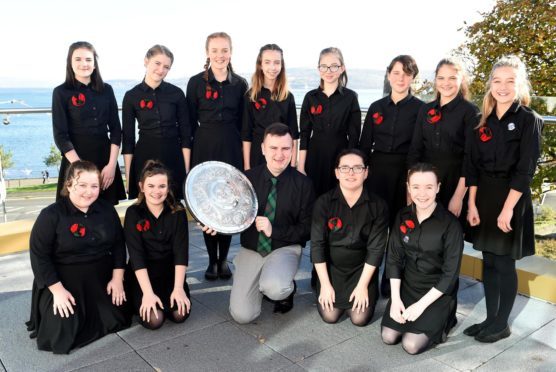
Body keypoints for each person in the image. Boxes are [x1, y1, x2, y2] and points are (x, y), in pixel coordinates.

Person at [464, 55, 543, 343]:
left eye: (510, 81)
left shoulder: (528, 120)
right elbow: (470, 166)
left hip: (511, 198)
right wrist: (471, 204)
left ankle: (502, 323)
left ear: (519, 84)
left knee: (504, 262)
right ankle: (490, 319)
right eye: (497, 80)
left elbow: (525, 171)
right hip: (483, 197)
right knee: (488, 261)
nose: (503, 87)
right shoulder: (480, 120)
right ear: (490, 85)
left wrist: (508, 210)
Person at [26, 160, 130, 354]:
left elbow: (118, 244)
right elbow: (40, 256)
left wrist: (117, 279)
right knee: (61, 331)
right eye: (82, 185)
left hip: (102, 277)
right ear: (69, 185)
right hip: (63, 280)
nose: (88, 192)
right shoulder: (50, 215)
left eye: (94, 186)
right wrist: (57, 291)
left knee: (119, 316)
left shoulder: (107, 210)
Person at [226, 123, 315, 324]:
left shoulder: (304, 184)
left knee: (275, 288)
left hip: (285, 248)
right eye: (273, 148)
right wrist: (214, 225)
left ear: (293, 150)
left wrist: (273, 230)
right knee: (242, 315)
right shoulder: (247, 180)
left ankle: (284, 288)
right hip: (252, 248)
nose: (279, 154)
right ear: (263, 149)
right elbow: (232, 215)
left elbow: (307, 229)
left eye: (285, 148)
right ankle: (251, 276)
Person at [358, 55, 424, 298]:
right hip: (377, 171)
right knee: (374, 228)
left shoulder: (420, 109)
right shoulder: (376, 107)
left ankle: (391, 279)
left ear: (413, 78)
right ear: (388, 75)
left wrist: (412, 183)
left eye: (406, 73)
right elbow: (365, 145)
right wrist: (360, 175)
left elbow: (418, 148)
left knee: (399, 231)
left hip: (404, 173)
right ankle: (370, 277)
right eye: (396, 73)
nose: (401, 78)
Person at [381, 163, 463, 354]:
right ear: (408, 188)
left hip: (437, 292)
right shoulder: (401, 216)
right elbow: (393, 257)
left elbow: (450, 274)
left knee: (411, 345)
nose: (422, 193)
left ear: (438, 187)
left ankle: (447, 318)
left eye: (428, 187)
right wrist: (395, 299)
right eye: (416, 187)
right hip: (408, 286)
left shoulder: (450, 225)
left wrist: (420, 306)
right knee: (389, 336)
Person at [186, 32, 248, 281]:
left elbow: (245, 125)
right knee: (208, 205)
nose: (220, 55)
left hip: (231, 146)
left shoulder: (241, 84)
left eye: (224, 50)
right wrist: (189, 161)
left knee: (228, 202)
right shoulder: (195, 83)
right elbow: (189, 124)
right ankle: (212, 261)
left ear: (231, 52)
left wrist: (245, 162)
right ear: (207, 52)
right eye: (215, 50)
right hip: (204, 146)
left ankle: (224, 260)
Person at [311, 149, 388, 326]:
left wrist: (362, 287)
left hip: (362, 270)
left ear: (366, 172)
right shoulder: (323, 203)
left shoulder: (378, 206)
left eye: (357, 168)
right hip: (332, 269)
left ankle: (364, 288)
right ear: (337, 173)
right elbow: (317, 245)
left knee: (359, 319)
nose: (351, 173)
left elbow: (376, 249)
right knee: (330, 316)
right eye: (345, 168)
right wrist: (325, 284)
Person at [52, 41, 126, 205]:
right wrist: (80, 168)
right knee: (76, 211)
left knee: (105, 211)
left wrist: (112, 165)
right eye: (77, 59)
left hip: (105, 160)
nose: (83, 64)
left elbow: (115, 129)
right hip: (75, 161)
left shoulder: (107, 90)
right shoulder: (61, 92)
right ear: (70, 63)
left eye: (88, 59)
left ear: (94, 64)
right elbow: (60, 136)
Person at [407, 58, 480, 220]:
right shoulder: (425, 110)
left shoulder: (470, 112)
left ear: (461, 80)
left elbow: (470, 158)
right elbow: (415, 150)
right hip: (425, 183)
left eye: (452, 78)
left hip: (455, 183)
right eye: (441, 78)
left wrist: (458, 197)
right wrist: (411, 189)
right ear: (436, 80)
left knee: (450, 235)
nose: (446, 83)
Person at [124, 160, 191, 330]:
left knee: (179, 314)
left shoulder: (178, 211)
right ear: (141, 187)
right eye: (151, 185)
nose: (156, 191)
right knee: (155, 320)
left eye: (162, 186)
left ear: (168, 188)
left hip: (170, 272)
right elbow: (136, 256)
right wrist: (147, 293)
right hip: (143, 274)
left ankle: (173, 293)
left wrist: (178, 288)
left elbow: (181, 251)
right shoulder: (133, 213)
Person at [122, 45, 190, 200]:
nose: (161, 70)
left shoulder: (177, 94)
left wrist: (185, 170)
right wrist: (129, 177)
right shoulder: (131, 96)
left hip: (174, 155)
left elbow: (186, 135)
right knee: (146, 207)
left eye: (166, 67)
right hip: (144, 156)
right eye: (157, 63)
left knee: (174, 206)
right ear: (146, 61)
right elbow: (128, 140)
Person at [298, 47, 361, 197]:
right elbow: (304, 135)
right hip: (315, 156)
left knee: (337, 198)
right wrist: (301, 166)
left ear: (342, 68)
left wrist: (349, 166)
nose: (329, 70)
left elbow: (354, 136)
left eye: (334, 66)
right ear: (319, 69)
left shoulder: (351, 98)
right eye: (324, 66)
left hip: (340, 155)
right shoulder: (310, 97)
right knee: (312, 196)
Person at [242, 44, 299, 170]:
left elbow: (294, 134)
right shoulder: (250, 96)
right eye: (267, 62)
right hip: (257, 154)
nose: (272, 67)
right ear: (260, 65)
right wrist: (247, 166)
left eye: (277, 63)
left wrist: (293, 164)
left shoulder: (288, 97)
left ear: (281, 65)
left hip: (281, 155)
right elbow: (246, 134)